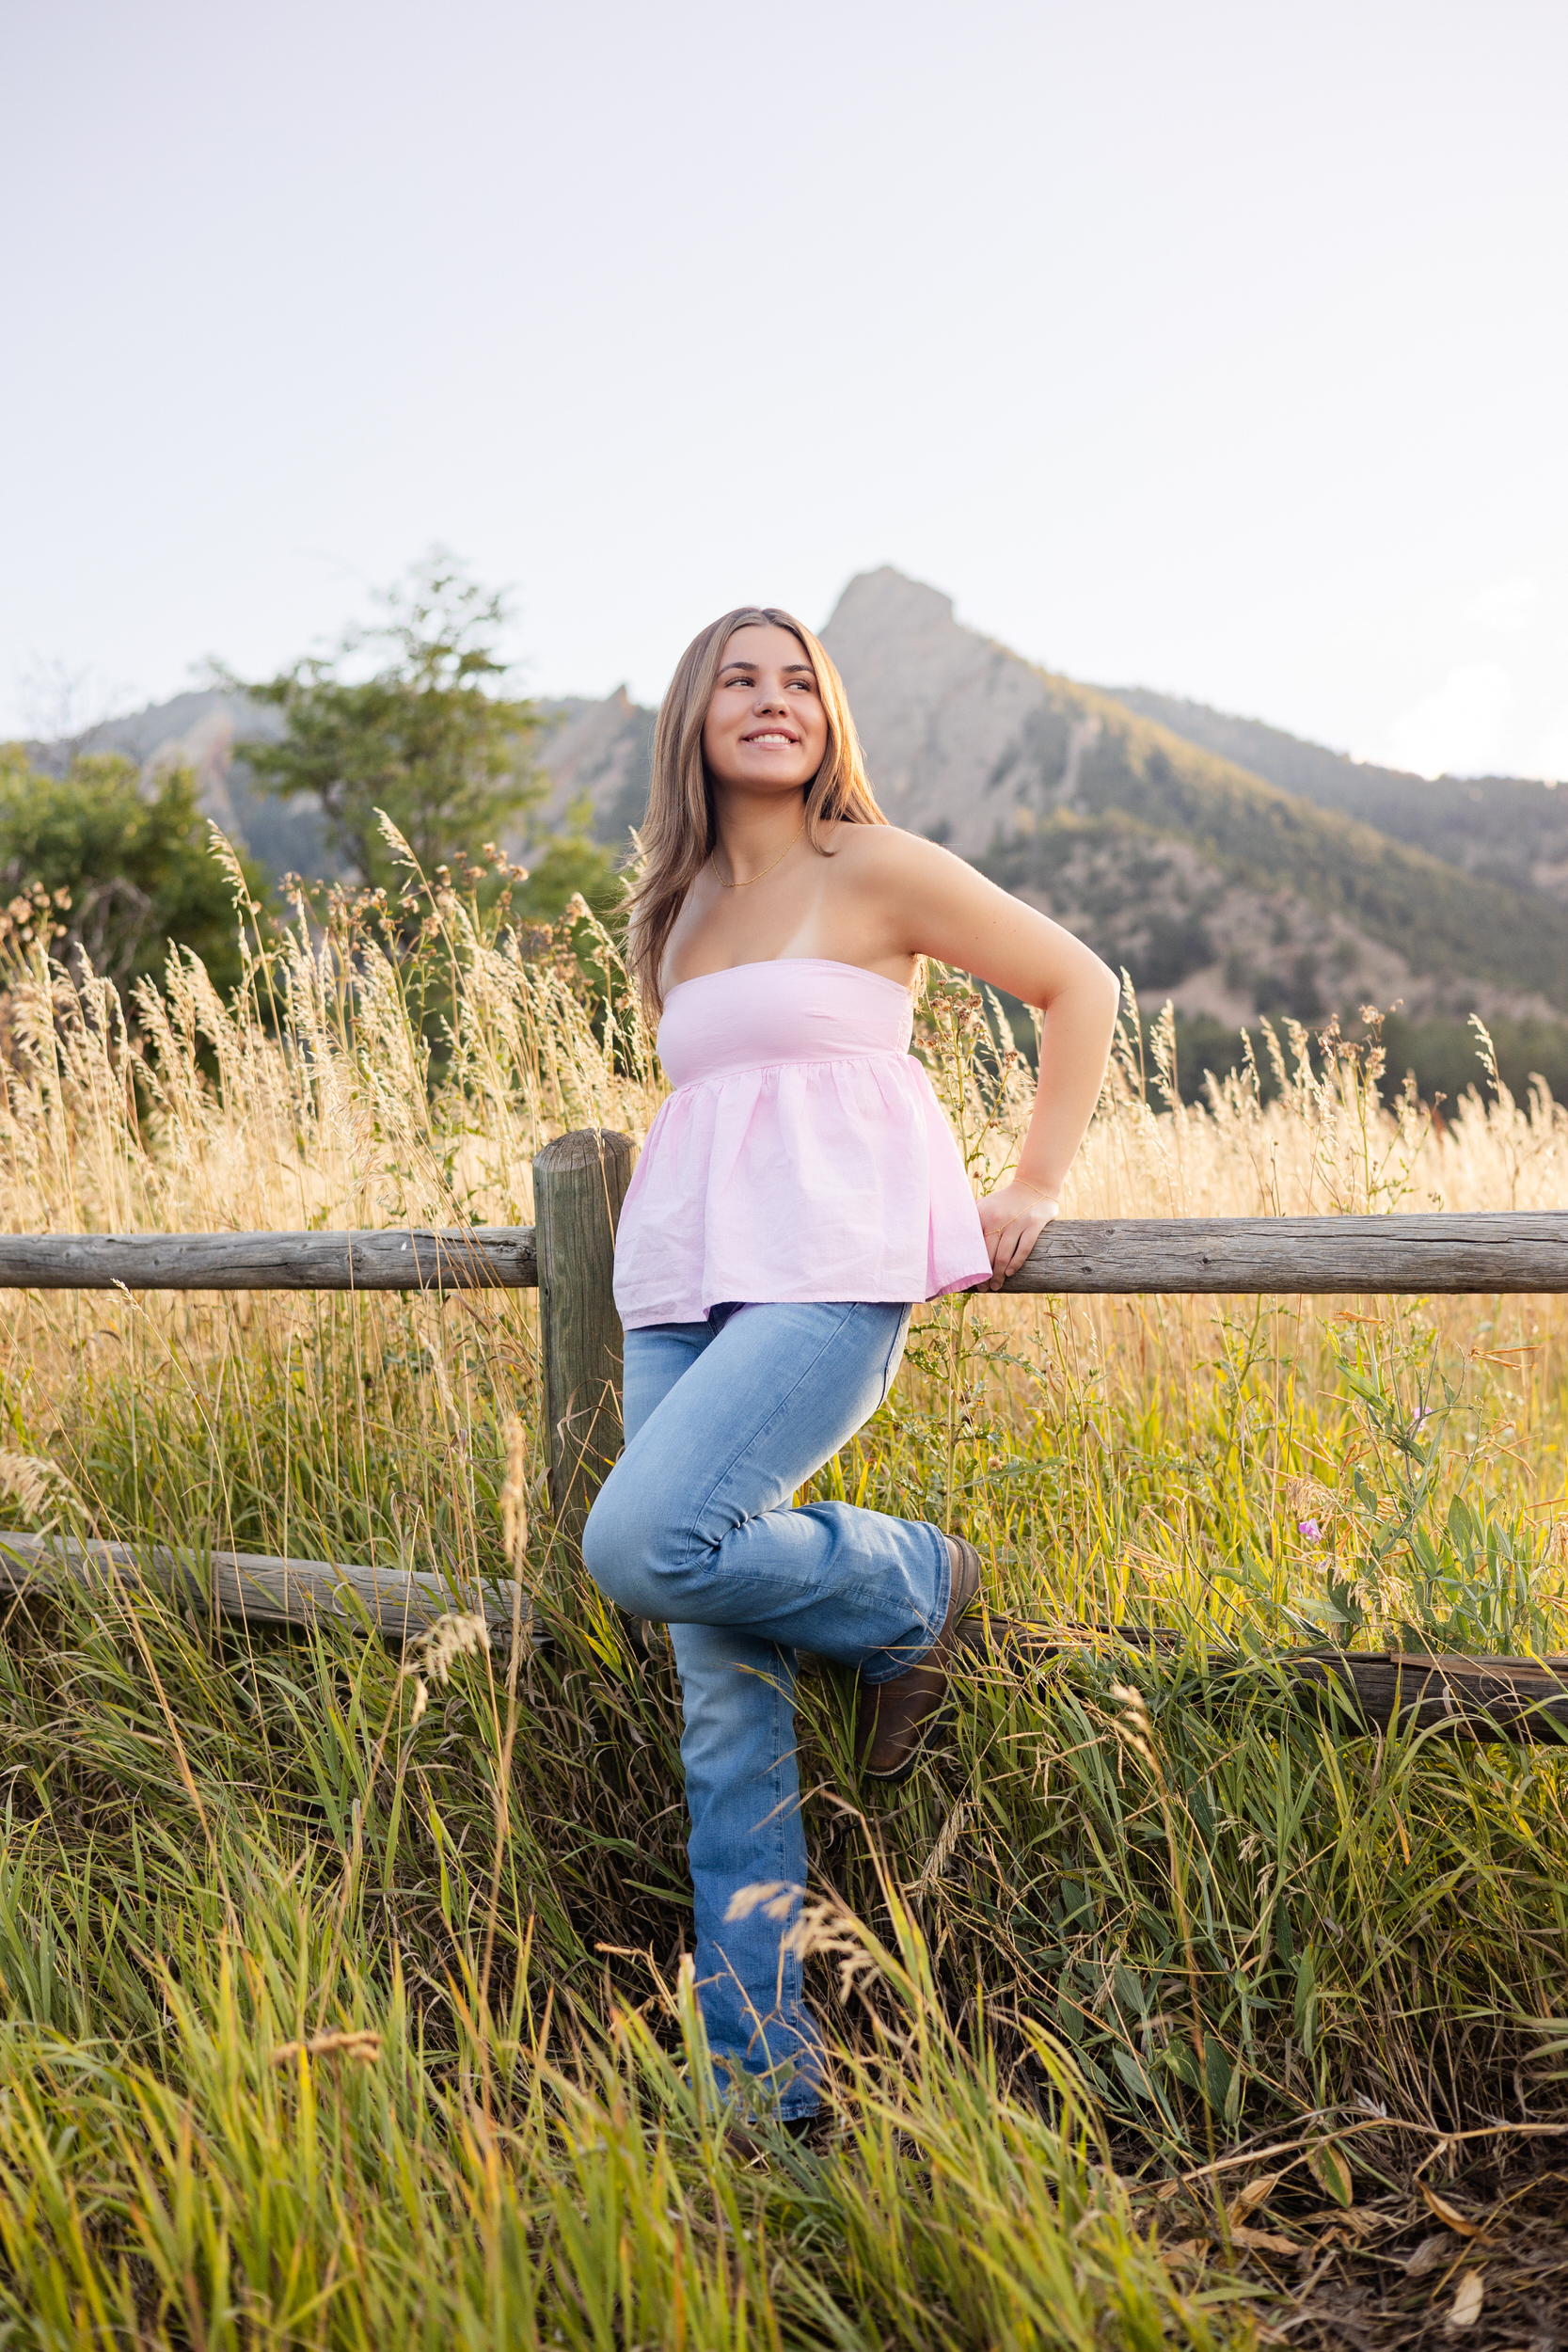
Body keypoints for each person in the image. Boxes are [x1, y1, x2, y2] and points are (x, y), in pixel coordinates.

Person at [581, 605, 1118, 2126]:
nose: (771, 701)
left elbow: (1077, 984)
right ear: (694, 718)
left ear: (830, 716)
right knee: (720, 1702)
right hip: (679, 1287)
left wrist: (1033, 1184)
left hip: (827, 1278)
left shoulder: (871, 866)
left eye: (797, 680)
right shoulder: (675, 910)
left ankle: (907, 1587)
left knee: (642, 1544)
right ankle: (768, 2093)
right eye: (738, 682)